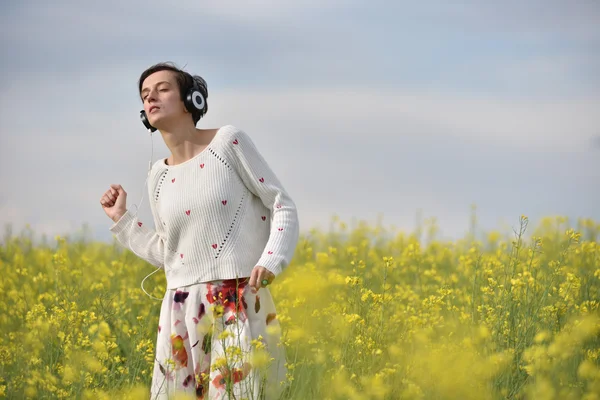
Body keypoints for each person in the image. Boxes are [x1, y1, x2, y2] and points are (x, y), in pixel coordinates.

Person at [99, 62, 300, 399]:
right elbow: (169, 252)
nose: (151, 98)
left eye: (162, 89)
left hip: (236, 301)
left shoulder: (228, 143)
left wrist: (272, 259)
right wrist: (122, 220)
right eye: (145, 95)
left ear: (190, 100)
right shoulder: (157, 176)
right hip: (180, 308)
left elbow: (281, 203)